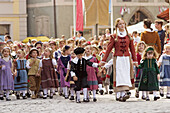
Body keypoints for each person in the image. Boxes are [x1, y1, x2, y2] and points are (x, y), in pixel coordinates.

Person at [100, 18, 137, 102]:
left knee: (125, 74)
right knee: (119, 75)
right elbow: (109, 49)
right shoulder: (114, 36)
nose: (122, 25)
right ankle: (118, 93)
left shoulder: (129, 36)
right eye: (120, 24)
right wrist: (103, 60)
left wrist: (135, 60)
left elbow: (132, 49)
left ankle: (124, 93)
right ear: (117, 26)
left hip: (126, 58)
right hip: (118, 57)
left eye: (123, 23)